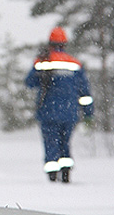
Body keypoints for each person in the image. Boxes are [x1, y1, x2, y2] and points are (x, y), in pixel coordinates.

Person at [25, 27, 94, 183]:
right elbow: (85, 92)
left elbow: (30, 82)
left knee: (51, 143)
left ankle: (52, 176)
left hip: (48, 112)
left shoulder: (43, 62)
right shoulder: (75, 64)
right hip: (70, 113)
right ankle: (66, 173)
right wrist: (88, 113)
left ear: (50, 43)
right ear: (64, 44)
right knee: (65, 142)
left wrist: (41, 67)